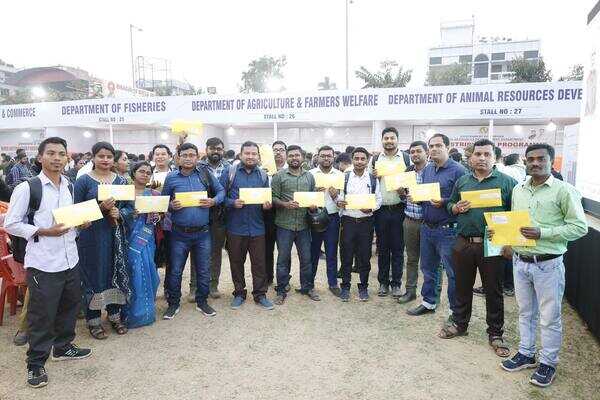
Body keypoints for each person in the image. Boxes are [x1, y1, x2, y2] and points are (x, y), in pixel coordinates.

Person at [5, 137, 92, 388]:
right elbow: (11, 223)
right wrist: (43, 231)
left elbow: (70, 219)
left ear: (67, 158)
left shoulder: (70, 186)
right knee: (41, 315)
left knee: (68, 306)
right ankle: (35, 364)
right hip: (43, 262)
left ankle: (63, 347)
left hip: (70, 258)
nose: (56, 158)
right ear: (40, 157)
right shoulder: (28, 188)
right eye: (51, 153)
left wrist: (81, 223)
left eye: (61, 154)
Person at [500, 144, 587, 388]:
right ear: (525, 162)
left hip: (548, 264)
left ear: (551, 162)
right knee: (525, 312)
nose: (535, 163)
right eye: (531, 159)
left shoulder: (564, 191)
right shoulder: (519, 189)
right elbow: (515, 223)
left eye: (541, 159)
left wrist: (543, 233)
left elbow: (579, 227)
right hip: (521, 262)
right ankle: (526, 353)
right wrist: (508, 243)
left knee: (549, 317)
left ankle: (548, 362)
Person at [439, 139, 517, 359]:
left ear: (495, 158)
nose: (482, 158)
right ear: (470, 157)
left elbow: (514, 214)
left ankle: (495, 333)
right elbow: (450, 204)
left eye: (487, 154)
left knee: (493, 290)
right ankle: (460, 324)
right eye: (478, 154)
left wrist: (508, 242)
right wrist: (454, 207)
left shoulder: (507, 182)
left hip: (492, 245)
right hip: (463, 243)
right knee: (462, 287)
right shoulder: (463, 181)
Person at [75, 142, 134, 339]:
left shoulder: (122, 182)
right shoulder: (83, 181)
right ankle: (93, 320)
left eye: (109, 156)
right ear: (93, 158)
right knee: (94, 275)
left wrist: (121, 212)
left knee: (114, 273)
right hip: (91, 237)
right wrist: (100, 208)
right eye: (101, 156)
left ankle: (115, 316)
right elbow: (76, 212)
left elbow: (130, 209)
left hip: (115, 237)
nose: (105, 160)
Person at [161, 142, 225, 319]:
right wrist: (170, 205)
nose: (189, 158)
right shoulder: (171, 178)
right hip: (179, 234)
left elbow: (221, 192)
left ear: (197, 157)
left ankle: (202, 302)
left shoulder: (205, 174)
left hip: (202, 233)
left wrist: (213, 201)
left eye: (192, 155)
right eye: (185, 155)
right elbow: (163, 202)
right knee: (175, 270)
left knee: (204, 269)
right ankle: (173, 304)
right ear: (178, 158)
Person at [407, 133, 467, 317]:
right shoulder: (428, 170)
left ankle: (455, 311)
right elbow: (425, 197)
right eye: (431, 146)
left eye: (438, 145)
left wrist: (445, 201)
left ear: (447, 147)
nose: (434, 149)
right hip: (427, 227)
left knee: (452, 272)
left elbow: (463, 201)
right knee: (428, 268)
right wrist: (416, 199)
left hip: (448, 230)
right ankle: (429, 302)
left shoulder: (459, 171)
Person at [223, 141, 274, 310]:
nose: (251, 157)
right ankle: (239, 293)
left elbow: (267, 198)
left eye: (254, 154)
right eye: (247, 153)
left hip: (257, 227)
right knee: (236, 262)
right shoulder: (229, 173)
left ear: (258, 156)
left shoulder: (263, 176)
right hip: (235, 227)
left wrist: (267, 205)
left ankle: (260, 294)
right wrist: (232, 202)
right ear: (241, 154)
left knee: (259, 263)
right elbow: (219, 197)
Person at [271, 144, 320, 304]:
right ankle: (281, 289)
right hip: (284, 225)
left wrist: (313, 206)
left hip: (304, 225)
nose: (294, 158)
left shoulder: (309, 177)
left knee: (306, 259)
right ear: (286, 157)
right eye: (291, 155)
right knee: (283, 259)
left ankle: (307, 286)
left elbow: (313, 198)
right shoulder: (279, 176)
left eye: (297, 155)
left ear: (302, 157)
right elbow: (273, 197)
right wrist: (284, 204)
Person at [336, 147, 382, 302]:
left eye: (363, 159)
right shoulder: (345, 177)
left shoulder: (373, 179)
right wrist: (339, 202)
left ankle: (363, 287)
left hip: (366, 222)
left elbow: (379, 200)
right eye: (356, 158)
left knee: (364, 256)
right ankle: (346, 286)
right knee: (346, 254)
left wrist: (372, 207)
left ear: (367, 160)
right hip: (348, 221)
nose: (360, 161)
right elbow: (339, 198)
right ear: (352, 159)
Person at [188, 137, 230, 301]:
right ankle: (194, 287)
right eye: (212, 149)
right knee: (196, 251)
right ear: (206, 150)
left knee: (215, 252)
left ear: (223, 150)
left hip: (220, 215)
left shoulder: (230, 168)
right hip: (199, 212)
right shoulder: (197, 167)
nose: (216, 152)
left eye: (219, 149)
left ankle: (213, 285)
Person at [371, 127, 410, 298]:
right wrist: (375, 177)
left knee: (398, 248)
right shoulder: (375, 159)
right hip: (380, 210)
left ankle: (396, 284)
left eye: (392, 138)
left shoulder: (406, 159)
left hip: (400, 208)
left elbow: (412, 183)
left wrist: (404, 192)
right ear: (382, 140)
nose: (389, 141)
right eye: (386, 138)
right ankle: (383, 283)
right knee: (382, 247)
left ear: (397, 140)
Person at [122, 161, 160, 328]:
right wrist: (131, 213)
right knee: (132, 273)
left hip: (147, 238)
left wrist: (157, 216)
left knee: (150, 271)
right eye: (141, 171)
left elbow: (160, 217)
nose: (145, 174)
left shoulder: (154, 194)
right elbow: (117, 213)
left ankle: (146, 312)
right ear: (133, 173)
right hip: (129, 239)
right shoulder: (124, 193)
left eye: (148, 172)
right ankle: (130, 314)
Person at [310, 145, 343, 297]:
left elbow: (343, 201)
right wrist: (312, 194)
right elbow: (304, 196)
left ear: (333, 157)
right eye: (323, 155)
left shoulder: (339, 175)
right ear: (317, 157)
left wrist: (336, 196)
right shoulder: (310, 174)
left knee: (331, 252)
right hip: (314, 216)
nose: (326, 158)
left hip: (332, 217)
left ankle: (333, 283)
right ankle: (309, 283)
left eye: (329, 156)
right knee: (313, 252)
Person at [398, 141, 428, 304]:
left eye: (418, 151)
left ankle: (431, 296)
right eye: (412, 152)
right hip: (409, 220)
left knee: (430, 261)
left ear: (426, 153)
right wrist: (401, 193)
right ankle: (410, 291)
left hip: (428, 222)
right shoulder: (408, 171)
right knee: (411, 258)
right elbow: (404, 197)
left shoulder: (432, 171)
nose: (415, 154)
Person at [264, 140, 288, 286]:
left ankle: (284, 279)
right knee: (267, 248)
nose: (278, 152)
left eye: (281, 150)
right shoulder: (263, 170)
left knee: (284, 250)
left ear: (286, 153)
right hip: (267, 213)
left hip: (285, 213)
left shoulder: (292, 169)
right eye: (275, 150)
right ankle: (268, 278)